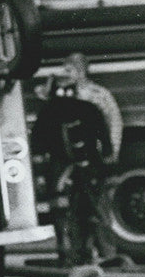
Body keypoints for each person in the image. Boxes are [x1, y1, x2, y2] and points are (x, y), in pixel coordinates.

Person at [31, 53, 122, 265]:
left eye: (69, 70)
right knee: (69, 210)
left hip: (91, 164)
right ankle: (75, 254)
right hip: (67, 165)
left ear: (81, 71)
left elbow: (112, 125)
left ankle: (107, 255)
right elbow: (43, 129)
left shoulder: (97, 97)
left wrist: (110, 157)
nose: (66, 74)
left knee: (97, 209)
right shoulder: (57, 101)